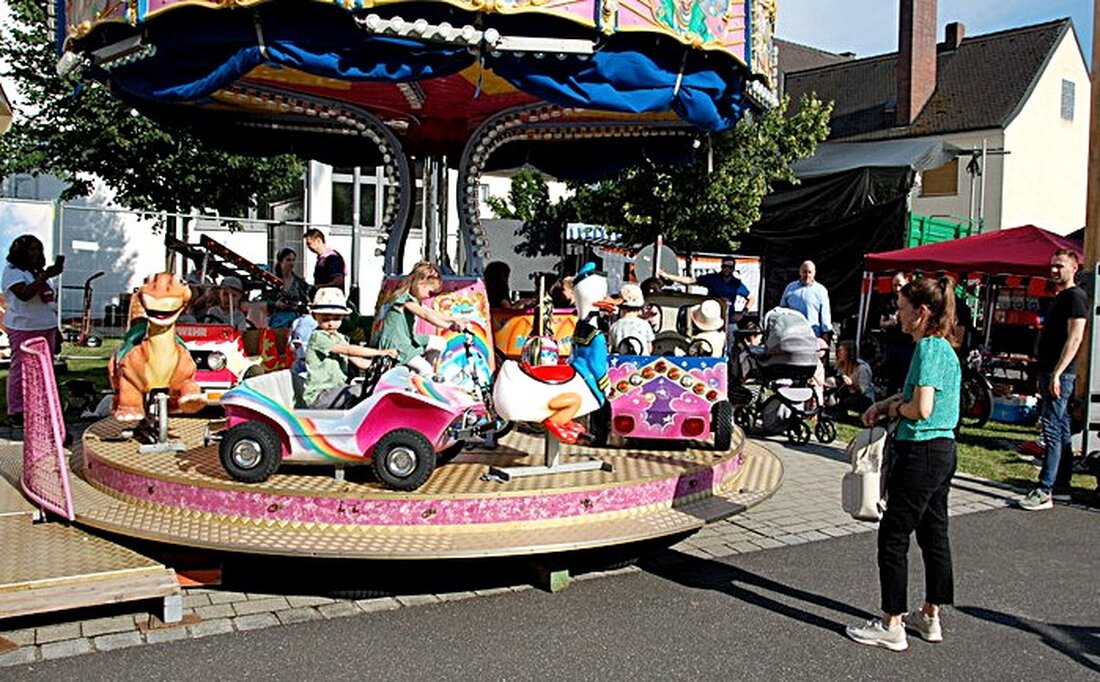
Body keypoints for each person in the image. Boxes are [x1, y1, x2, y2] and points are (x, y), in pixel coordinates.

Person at [847, 276, 961, 652]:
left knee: (894, 535)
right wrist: (884, 404)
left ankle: (890, 623)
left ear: (922, 312)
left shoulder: (928, 348)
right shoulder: (944, 348)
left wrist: (894, 409)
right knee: (934, 533)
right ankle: (930, 615)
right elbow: (916, 394)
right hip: (943, 449)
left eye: (901, 308)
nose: (897, 315)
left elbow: (920, 408)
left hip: (921, 451)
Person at [1018, 249, 1087, 510]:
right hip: (1050, 370)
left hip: (1059, 373)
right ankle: (1061, 486)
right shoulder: (1061, 296)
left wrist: (1058, 372)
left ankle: (1045, 489)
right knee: (1062, 427)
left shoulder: (1076, 297)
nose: (1054, 270)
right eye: (1052, 266)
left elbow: (1076, 337)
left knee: (1052, 429)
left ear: (1074, 269)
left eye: (1060, 266)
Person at [2, 235, 63, 427]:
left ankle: (40, 406)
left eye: (38, 249)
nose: (35, 253)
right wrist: (45, 277)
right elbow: (24, 295)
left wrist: (57, 329)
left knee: (45, 369)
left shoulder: (38, 271)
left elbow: (49, 303)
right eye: (31, 250)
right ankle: (17, 411)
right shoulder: (12, 272)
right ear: (20, 252)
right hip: (24, 327)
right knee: (20, 369)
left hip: (46, 325)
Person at [302, 288, 397, 408]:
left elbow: (359, 361)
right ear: (315, 316)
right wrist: (380, 352)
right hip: (319, 397)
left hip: (336, 391)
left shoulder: (340, 338)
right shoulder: (318, 337)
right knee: (357, 391)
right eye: (325, 319)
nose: (331, 323)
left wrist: (380, 367)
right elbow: (348, 350)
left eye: (336, 318)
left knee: (371, 389)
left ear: (343, 317)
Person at [376, 261, 467, 375]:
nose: (429, 296)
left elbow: (432, 312)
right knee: (425, 369)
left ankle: (427, 372)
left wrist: (454, 319)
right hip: (397, 344)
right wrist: (449, 326)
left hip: (407, 339)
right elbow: (425, 315)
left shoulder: (413, 300)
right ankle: (424, 376)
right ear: (421, 283)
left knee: (439, 342)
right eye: (430, 292)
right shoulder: (404, 299)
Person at [658, 257, 754, 316]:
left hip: (729, 319)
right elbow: (690, 280)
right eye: (725, 266)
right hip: (710, 316)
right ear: (721, 266)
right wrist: (668, 276)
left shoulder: (736, 283)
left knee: (732, 341)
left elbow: (751, 298)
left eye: (730, 267)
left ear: (734, 269)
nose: (727, 269)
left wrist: (742, 313)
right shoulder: (712, 278)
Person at [879, 272, 914, 396]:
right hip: (892, 343)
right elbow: (881, 323)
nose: (897, 289)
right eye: (894, 286)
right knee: (891, 378)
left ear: (907, 281)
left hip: (908, 344)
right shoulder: (888, 299)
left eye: (900, 285)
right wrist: (890, 322)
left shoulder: (913, 299)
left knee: (907, 375)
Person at [780, 260, 832, 341]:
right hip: (792, 335)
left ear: (814, 273)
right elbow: (782, 311)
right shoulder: (790, 288)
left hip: (812, 335)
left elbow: (825, 314)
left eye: (810, 272)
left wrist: (826, 333)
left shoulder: (821, 291)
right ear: (800, 272)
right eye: (804, 272)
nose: (807, 275)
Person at [829, 340, 874, 421]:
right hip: (848, 393)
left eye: (841, 351)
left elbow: (863, 390)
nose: (838, 353)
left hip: (864, 398)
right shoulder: (841, 365)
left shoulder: (862, 368)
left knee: (847, 400)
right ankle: (838, 413)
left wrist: (851, 384)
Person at [269, 248, 311, 328]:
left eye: (293, 260)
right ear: (280, 262)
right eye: (288, 260)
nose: (291, 263)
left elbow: (306, 300)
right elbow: (264, 299)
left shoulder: (299, 282)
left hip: (295, 319)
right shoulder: (272, 280)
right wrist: (275, 304)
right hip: (277, 318)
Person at [609, 284, 654, 354]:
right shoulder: (645, 324)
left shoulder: (615, 326)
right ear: (640, 308)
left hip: (622, 362)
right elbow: (649, 348)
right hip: (643, 362)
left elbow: (611, 348)